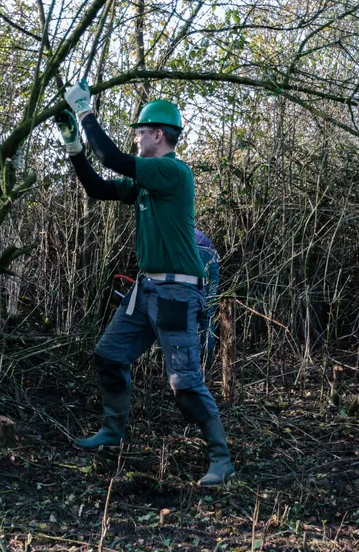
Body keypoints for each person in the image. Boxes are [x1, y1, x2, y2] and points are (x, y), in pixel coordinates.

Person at [56, 80, 234, 486]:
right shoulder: (146, 181)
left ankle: (221, 459)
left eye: (140, 132)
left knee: (184, 383)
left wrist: (84, 110)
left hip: (176, 292)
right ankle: (113, 432)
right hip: (146, 289)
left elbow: (113, 158)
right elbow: (98, 187)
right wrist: (73, 148)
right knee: (109, 356)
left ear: (157, 134)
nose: (135, 139)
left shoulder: (172, 171)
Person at [195, 228, 219, 372]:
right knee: (207, 314)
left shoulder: (171, 230)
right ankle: (207, 368)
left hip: (193, 254)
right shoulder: (190, 228)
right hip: (212, 258)